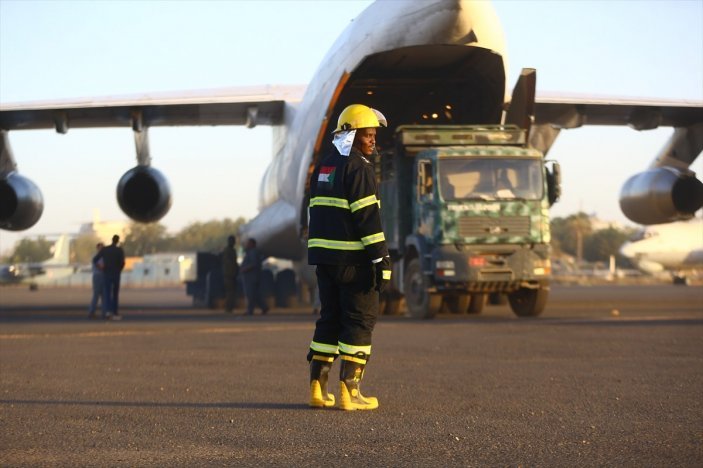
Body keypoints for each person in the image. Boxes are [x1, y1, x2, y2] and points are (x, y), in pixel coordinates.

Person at [306, 104, 392, 411]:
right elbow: (368, 217)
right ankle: (350, 393)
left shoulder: (324, 167)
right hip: (354, 263)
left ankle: (318, 390)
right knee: (358, 321)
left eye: (373, 135)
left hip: (325, 261)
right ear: (351, 136)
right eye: (367, 135)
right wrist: (381, 260)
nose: (372, 141)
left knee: (329, 321)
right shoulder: (359, 168)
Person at [96, 234, 125, 320]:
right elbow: (123, 263)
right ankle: (115, 311)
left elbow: (95, 260)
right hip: (116, 274)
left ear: (112, 240)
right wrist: (119, 270)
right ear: (118, 241)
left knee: (107, 294)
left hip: (107, 273)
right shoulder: (119, 250)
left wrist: (101, 267)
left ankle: (108, 312)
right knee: (115, 294)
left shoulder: (105, 250)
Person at [239, 238, 268, 316]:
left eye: (249, 243)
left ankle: (250, 310)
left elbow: (254, 264)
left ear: (252, 244)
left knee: (250, 294)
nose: (247, 245)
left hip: (251, 277)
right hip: (251, 277)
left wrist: (244, 269)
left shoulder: (253, 252)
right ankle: (263, 307)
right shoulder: (251, 252)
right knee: (255, 294)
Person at [221, 234, 239, 313]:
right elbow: (230, 263)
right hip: (229, 275)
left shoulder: (231, 250)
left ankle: (229, 307)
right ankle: (229, 308)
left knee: (231, 292)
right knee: (230, 292)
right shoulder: (228, 251)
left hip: (230, 274)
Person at [87, 242, 104, 319]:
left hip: (101, 276)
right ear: (98, 248)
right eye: (100, 248)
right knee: (96, 295)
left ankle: (103, 312)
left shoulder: (101, 256)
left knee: (103, 296)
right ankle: (92, 312)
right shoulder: (97, 256)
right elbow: (100, 266)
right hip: (98, 276)